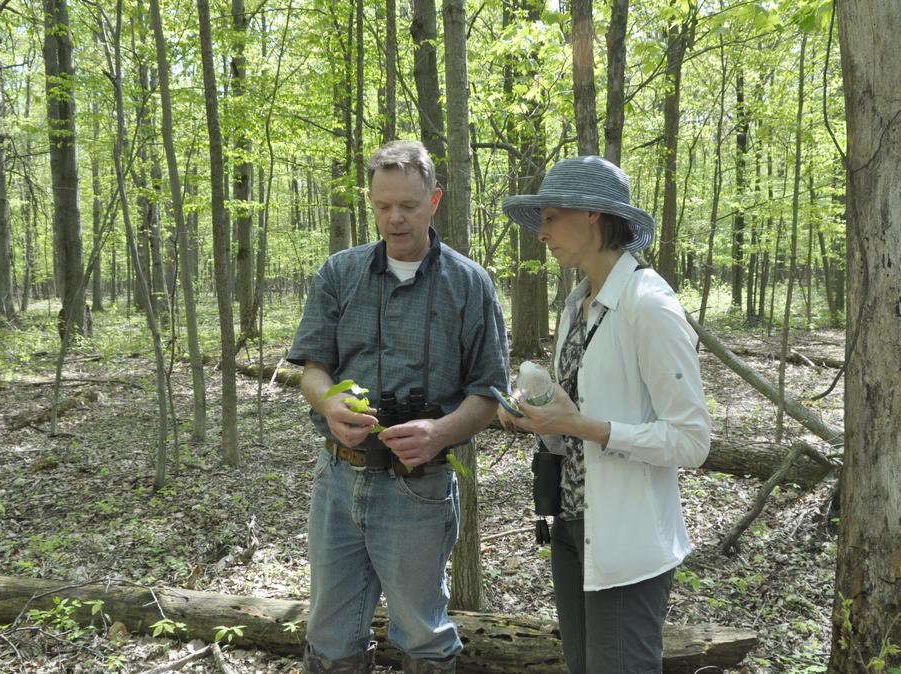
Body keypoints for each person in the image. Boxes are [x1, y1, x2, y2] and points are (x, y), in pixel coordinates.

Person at [288, 139, 510, 674]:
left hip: (419, 486)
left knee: (422, 633)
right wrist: (331, 404)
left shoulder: (469, 284)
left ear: (433, 201)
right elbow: (312, 368)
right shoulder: (340, 274)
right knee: (328, 630)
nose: (394, 218)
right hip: (338, 480)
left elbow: (489, 394)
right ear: (371, 202)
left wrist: (439, 432)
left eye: (407, 206)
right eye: (383, 205)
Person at [499, 156, 711, 673]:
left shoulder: (649, 305)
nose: (542, 233)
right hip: (573, 527)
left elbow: (691, 441)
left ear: (593, 214)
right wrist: (537, 421)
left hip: (627, 539)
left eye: (551, 217)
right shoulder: (577, 304)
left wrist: (583, 427)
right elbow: (573, 418)